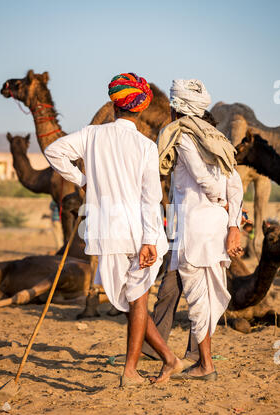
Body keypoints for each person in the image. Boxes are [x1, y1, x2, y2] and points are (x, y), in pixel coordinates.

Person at [44, 73, 183, 387]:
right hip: (138, 232)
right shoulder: (146, 147)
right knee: (135, 300)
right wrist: (150, 239)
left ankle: (134, 370)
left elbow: (54, 152)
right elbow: (151, 197)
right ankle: (168, 360)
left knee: (133, 301)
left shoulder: (91, 135)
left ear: (115, 104)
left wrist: (82, 180)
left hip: (106, 232)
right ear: (141, 107)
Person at [143, 79, 243, 382]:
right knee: (207, 296)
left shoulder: (183, 137)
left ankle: (204, 364)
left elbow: (206, 180)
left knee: (200, 299)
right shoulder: (217, 139)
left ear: (176, 108)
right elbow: (234, 183)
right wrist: (232, 222)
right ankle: (194, 359)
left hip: (195, 228)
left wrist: (221, 202)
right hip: (212, 228)